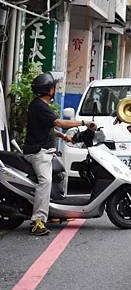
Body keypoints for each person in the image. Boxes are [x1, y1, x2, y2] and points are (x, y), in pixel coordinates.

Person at [23, 72, 96, 236]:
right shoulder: (40, 106)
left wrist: (63, 136)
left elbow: (48, 127)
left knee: (62, 173)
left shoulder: (40, 105)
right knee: (45, 181)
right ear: (50, 90)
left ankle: (55, 212)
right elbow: (59, 122)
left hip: (46, 151)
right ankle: (37, 221)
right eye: (54, 87)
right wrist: (84, 122)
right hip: (38, 153)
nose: (55, 89)